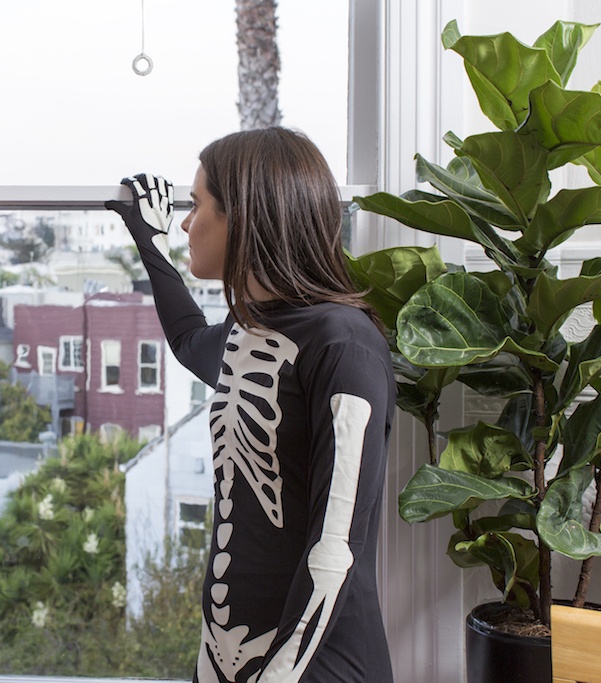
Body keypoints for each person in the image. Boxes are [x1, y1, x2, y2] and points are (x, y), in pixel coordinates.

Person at [107, 127, 395, 682]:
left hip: (315, 668)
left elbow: (336, 548)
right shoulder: (251, 328)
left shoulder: (344, 345)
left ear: (245, 214)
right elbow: (192, 341)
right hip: (225, 658)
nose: (187, 222)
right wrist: (149, 240)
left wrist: (277, 675)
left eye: (197, 205)